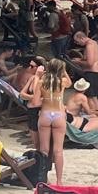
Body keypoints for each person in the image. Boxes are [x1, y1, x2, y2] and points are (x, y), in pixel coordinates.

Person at [36, 58, 69, 186]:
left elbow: (36, 99)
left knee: (44, 150)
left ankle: (43, 179)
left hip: (45, 113)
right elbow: (70, 82)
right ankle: (59, 181)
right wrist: (64, 71)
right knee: (58, 150)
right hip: (58, 115)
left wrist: (37, 76)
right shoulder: (63, 82)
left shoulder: (41, 82)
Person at [71, 31, 98, 95]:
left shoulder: (89, 46)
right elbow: (97, 58)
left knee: (91, 98)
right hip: (96, 73)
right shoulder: (93, 43)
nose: (77, 44)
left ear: (82, 38)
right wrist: (81, 59)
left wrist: (78, 62)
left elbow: (90, 63)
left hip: (92, 74)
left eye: (77, 41)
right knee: (93, 98)